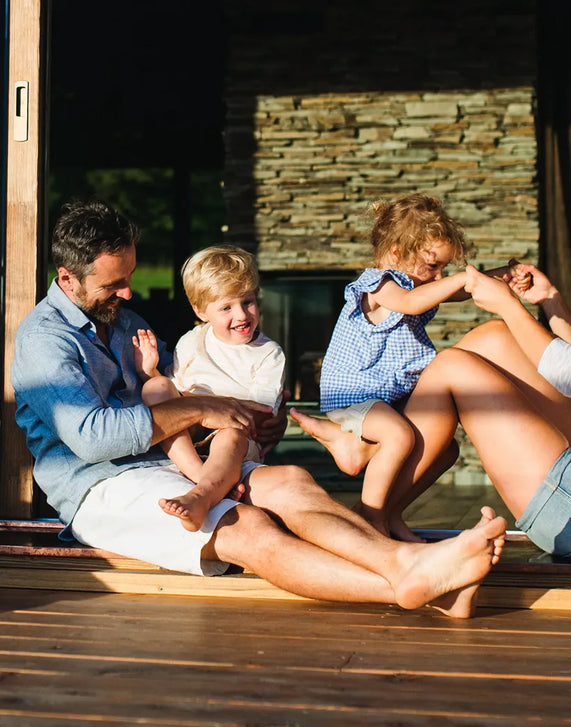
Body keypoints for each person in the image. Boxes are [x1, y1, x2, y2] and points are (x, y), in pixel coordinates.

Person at [11, 197, 507, 618]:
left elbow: (179, 380)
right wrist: (208, 408)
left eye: (130, 277)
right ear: (67, 278)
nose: (129, 292)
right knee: (246, 526)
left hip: (171, 462)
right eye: (114, 284)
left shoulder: (119, 318)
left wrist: (249, 419)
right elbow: (96, 438)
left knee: (291, 481)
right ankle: (414, 583)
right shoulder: (43, 341)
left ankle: (415, 568)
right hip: (102, 484)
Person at [294, 168, 571, 578]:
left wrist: (507, 301)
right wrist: (550, 301)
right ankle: (386, 477)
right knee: (491, 338)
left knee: (452, 366)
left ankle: (370, 510)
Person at [290, 193, 527, 540]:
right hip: (356, 394)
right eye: (432, 266)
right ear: (398, 252)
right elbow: (412, 304)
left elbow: (459, 291)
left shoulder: (418, 282)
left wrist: (500, 276)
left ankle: (390, 512)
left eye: (443, 268)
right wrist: (463, 278)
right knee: (399, 437)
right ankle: (369, 519)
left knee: (446, 450)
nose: (439, 276)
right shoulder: (379, 284)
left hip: (386, 396)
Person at [133, 245, 286, 532]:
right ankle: (199, 474)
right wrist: (149, 370)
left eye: (248, 302)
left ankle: (201, 497)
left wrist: (201, 407)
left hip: (234, 435)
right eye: (226, 307)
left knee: (229, 436)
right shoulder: (192, 341)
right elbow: (173, 395)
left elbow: (258, 414)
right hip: (190, 433)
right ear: (201, 311)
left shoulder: (268, 353)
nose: (241, 315)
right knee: (155, 387)